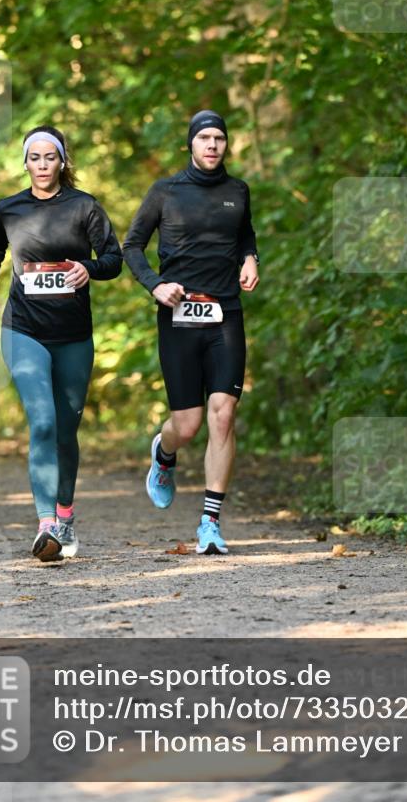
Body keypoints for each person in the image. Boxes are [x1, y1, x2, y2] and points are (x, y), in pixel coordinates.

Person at [0, 125, 122, 561]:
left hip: (73, 335)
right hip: (23, 329)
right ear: (25, 162)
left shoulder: (85, 207)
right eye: (34, 158)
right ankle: (45, 525)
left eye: (50, 158)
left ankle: (65, 515)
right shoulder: (9, 207)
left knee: (66, 429)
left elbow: (113, 259)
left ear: (63, 162)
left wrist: (88, 269)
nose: (42, 165)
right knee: (42, 421)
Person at [123, 110, 259, 555]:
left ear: (226, 145)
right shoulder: (165, 192)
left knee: (223, 413)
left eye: (220, 138)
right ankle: (164, 455)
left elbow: (244, 236)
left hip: (226, 314)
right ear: (191, 145)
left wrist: (250, 257)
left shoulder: (238, 191)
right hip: (179, 316)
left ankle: (210, 523)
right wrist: (156, 284)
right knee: (189, 424)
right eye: (205, 138)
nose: (213, 145)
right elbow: (131, 246)